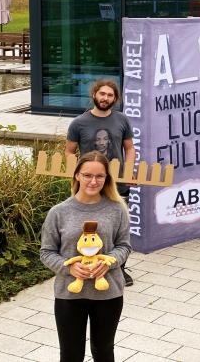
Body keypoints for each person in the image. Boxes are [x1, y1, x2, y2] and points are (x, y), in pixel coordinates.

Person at [40, 151, 132, 362]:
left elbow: (124, 246)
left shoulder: (117, 209)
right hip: (69, 294)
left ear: (107, 178)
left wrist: (109, 262)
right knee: (71, 355)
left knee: (104, 351)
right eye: (87, 175)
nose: (93, 181)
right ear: (77, 176)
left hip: (108, 293)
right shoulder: (59, 212)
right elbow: (46, 252)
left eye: (99, 176)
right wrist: (68, 267)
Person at [66, 79, 136, 287]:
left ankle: (119, 269)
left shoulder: (122, 120)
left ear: (115, 99)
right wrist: (76, 175)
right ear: (94, 95)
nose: (105, 98)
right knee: (87, 228)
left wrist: (129, 172)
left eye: (110, 95)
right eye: (102, 94)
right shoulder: (79, 123)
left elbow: (129, 148)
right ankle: (86, 267)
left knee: (118, 228)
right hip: (89, 186)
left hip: (117, 185)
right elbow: (69, 152)